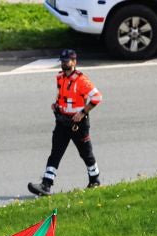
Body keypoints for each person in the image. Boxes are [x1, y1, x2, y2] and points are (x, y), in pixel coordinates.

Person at [28, 49, 102, 197]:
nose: (64, 64)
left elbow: (97, 97)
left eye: (66, 61)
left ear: (74, 62)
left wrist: (82, 113)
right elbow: (61, 95)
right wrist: (56, 104)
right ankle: (46, 185)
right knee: (55, 153)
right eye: (62, 61)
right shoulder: (60, 78)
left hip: (78, 125)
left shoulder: (81, 80)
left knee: (86, 153)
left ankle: (94, 180)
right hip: (62, 122)